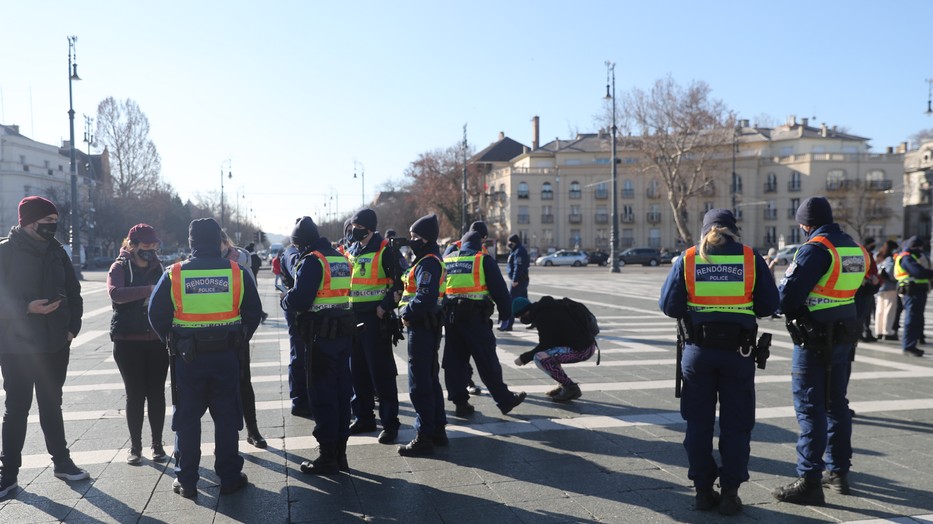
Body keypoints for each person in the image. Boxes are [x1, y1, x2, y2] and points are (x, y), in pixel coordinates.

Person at [659, 209, 779, 515]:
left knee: (698, 425)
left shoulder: (689, 258)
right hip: (738, 355)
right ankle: (729, 493)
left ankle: (702, 491)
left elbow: (669, 306)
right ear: (733, 230)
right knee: (736, 426)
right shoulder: (750, 258)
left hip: (698, 352)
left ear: (705, 230)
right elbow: (768, 304)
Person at [148, 218, 262, 498]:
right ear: (218, 241)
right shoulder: (237, 272)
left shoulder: (174, 273)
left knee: (186, 419)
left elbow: (156, 314)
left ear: (191, 242)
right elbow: (253, 312)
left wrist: (173, 341)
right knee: (226, 416)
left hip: (188, 358)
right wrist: (238, 339)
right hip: (226, 356)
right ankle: (230, 477)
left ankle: (187, 480)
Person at [772, 197, 868, 505]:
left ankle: (809, 480)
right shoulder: (854, 247)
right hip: (845, 335)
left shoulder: (815, 249)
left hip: (813, 340)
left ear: (805, 224)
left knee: (810, 408)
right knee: (836, 404)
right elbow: (865, 290)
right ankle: (839, 473)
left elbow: (787, 297)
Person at [0, 196, 88, 499]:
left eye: (55, 222)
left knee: (52, 404)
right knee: (17, 409)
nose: (53, 227)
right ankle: (7, 474)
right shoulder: (4, 251)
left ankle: (62, 463)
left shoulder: (57, 251)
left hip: (54, 344)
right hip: (16, 346)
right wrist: (26, 308)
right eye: (47, 222)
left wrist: (71, 328)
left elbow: (74, 292)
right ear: (28, 222)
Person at [282, 216, 356, 474]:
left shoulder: (312, 261)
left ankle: (327, 457)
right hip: (342, 334)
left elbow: (301, 300)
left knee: (323, 396)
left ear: (300, 244)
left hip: (320, 338)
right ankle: (341, 453)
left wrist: (285, 298)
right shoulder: (340, 258)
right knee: (341, 394)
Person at [442, 229, 526, 417]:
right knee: (487, 360)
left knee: (454, 361)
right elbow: (499, 290)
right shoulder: (482, 259)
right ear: (479, 245)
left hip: (451, 318)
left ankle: (460, 402)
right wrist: (506, 314)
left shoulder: (447, 260)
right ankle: (504, 400)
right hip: (475, 319)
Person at [108, 224, 169, 465]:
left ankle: (157, 444)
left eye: (154, 245)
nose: (151, 249)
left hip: (156, 340)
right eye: (146, 245)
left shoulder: (158, 266)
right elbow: (116, 293)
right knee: (135, 394)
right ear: (132, 245)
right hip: (127, 341)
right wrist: (150, 291)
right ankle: (135, 446)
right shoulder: (120, 266)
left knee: (156, 393)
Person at [344, 209, 403, 444]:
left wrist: (384, 308)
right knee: (357, 371)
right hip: (353, 317)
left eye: (357, 227)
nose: (353, 231)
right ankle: (364, 417)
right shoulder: (353, 251)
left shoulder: (385, 250)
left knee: (381, 373)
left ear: (368, 229)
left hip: (375, 319)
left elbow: (399, 284)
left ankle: (390, 423)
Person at [396, 214, 448, 457]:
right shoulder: (427, 259)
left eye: (416, 236)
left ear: (426, 239)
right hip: (429, 325)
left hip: (422, 326)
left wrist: (405, 312)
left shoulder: (428, 262)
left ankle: (424, 435)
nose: (412, 240)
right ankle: (437, 429)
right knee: (430, 378)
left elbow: (424, 298)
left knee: (419, 383)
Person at [221, 231, 267, 448]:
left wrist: (244, 334)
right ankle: (226, 436)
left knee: (243, 382)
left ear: (225, 243)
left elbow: (252, 303)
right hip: (204, 336)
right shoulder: (198, 264)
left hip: (236, 334)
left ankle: (252, 429)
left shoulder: (239, 264)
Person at [511, 295, 597, 402]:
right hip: (588, 345)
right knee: (548, 354)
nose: (521, 320)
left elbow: (545, 344)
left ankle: (570, 388)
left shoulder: (543, 316)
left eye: (520, 317)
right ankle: (564, 385)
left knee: (540, 357)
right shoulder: (547, 308)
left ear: (525, 312)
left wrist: (524, 358)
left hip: (583, 350)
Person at [280, 243, 311, 417]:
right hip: (295, 309)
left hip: (302, 308)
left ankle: (304, 398)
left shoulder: (300, 253)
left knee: (304, 354)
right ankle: (299, 401)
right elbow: (295, 270)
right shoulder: (291, 253)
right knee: (299, 354)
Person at [893, 236, 933, 356]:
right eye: (919, 247)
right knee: (911, 319)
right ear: (915, 246)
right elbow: (918, 272)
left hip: (917, 291)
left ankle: (914, 342)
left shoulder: (912, 256)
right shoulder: (906, 257)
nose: (921, 249)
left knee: (916, 318)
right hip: (912, 291)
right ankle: (909, 346)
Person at [498, 234, 529, 331]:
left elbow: (518, 266)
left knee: (510, 302)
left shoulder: (519, 251)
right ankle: (535, 320)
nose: (508, 244)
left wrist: (515, 280)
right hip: (521, 280)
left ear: (514, 242)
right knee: (526, 303)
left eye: (510, 242)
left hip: (518, 281)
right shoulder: (516, 250)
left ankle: (508, 324)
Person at [874, 240, 900, 341]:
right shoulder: (890, 259)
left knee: (879, 310)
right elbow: (891, 274)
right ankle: (887, 331)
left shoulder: (879, 257)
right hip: (890, 287)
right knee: (889, 309)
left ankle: (878, 331)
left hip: (880, 287)